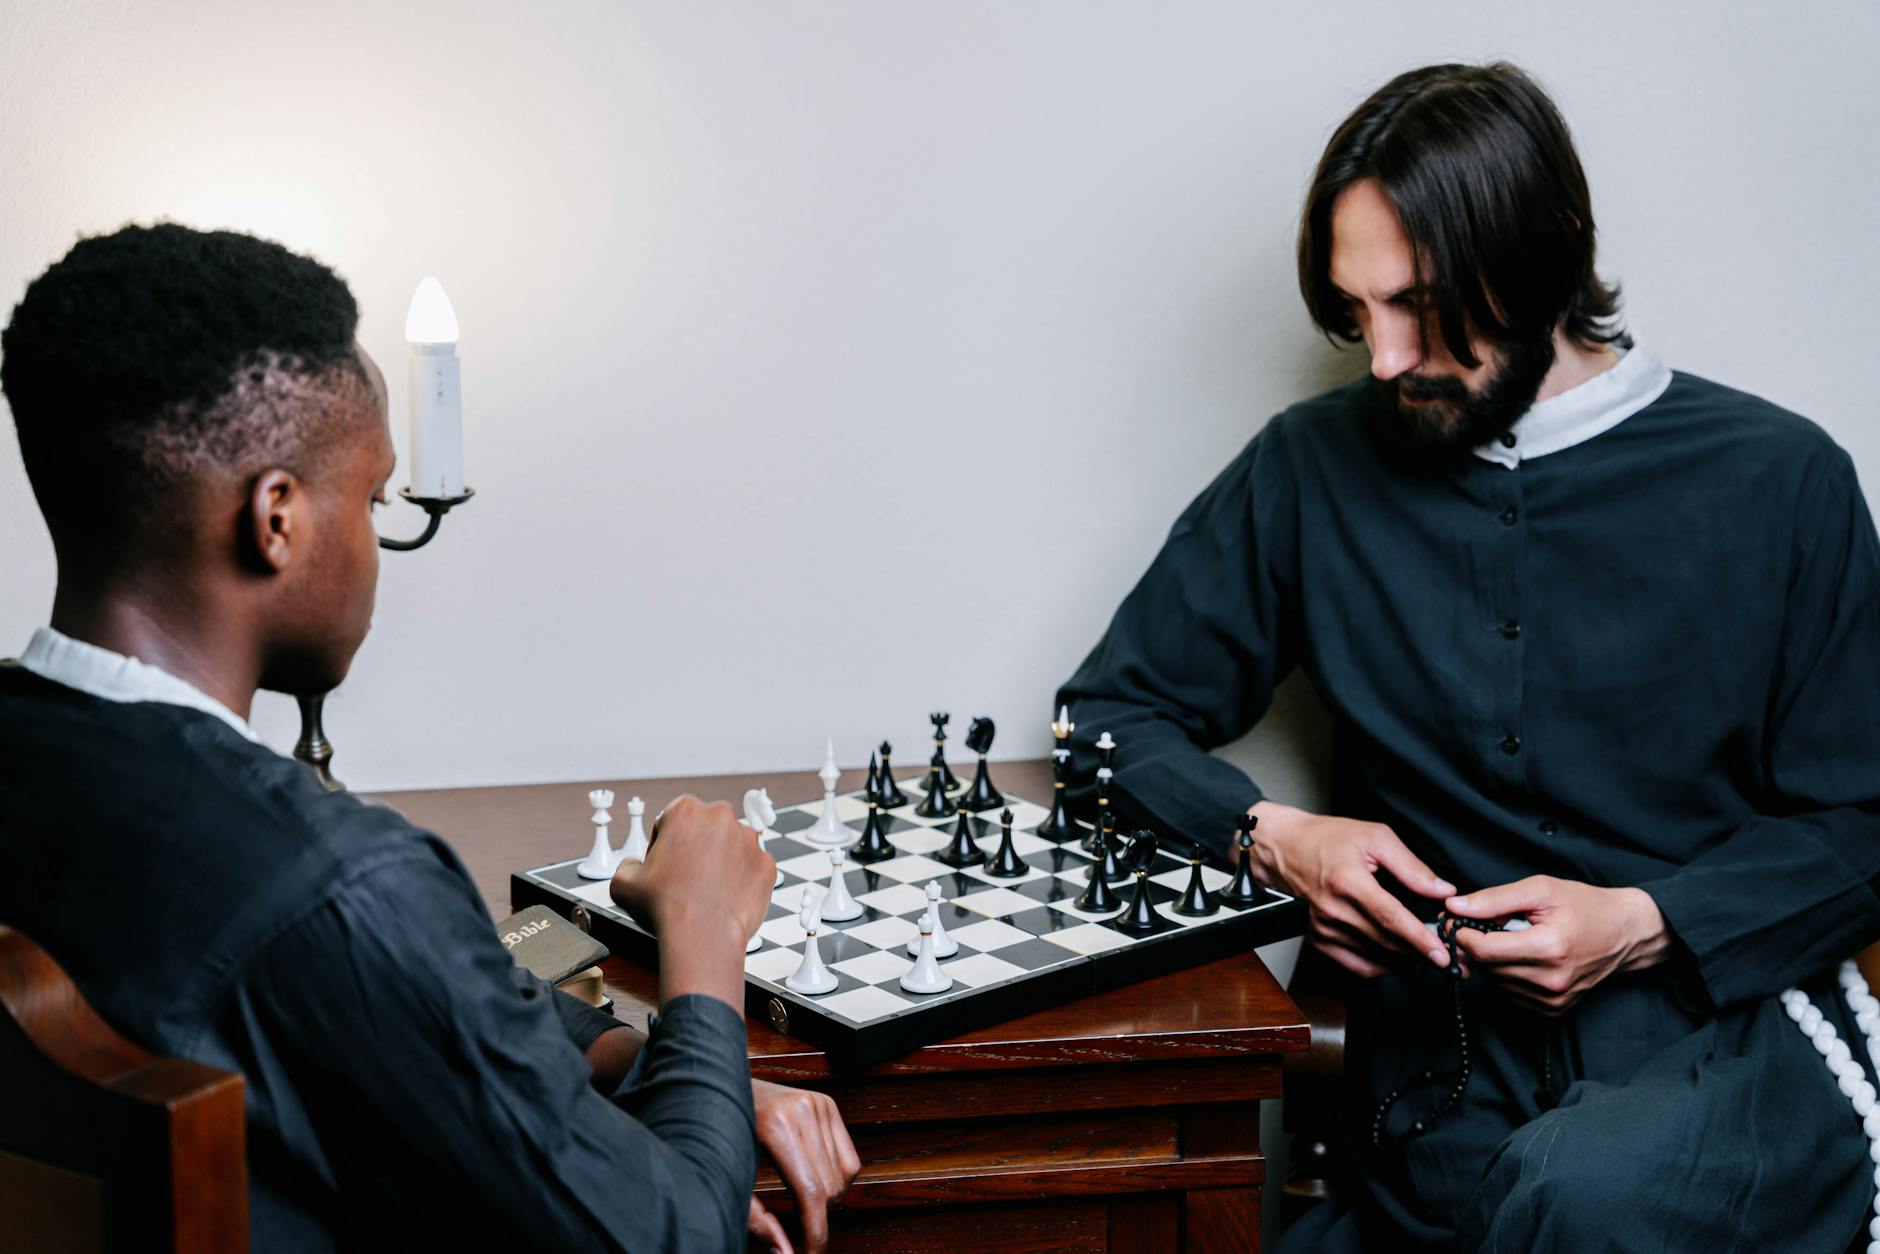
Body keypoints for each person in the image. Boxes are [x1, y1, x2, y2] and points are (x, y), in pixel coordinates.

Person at [1059, 62, 1880, 1251]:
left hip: (1724, 1054)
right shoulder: (1306, 470)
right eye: (1356, 311)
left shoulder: (1782, 479)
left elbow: (1861, 820)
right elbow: (1102, 724)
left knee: (1578, 1201)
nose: (1383, 358)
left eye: (1421, 307)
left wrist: (1646, 920)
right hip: (1439, 1084)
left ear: (1541, 261)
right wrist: (1274, 839)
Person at [0, 223, 860, 1252]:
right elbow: (675, 1237)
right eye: (367, 496)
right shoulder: (337, 886)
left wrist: (680, 1073)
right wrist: (705, 941)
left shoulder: (53, 758)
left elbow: (405, 1008)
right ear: (275, 518)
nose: (376, 539)